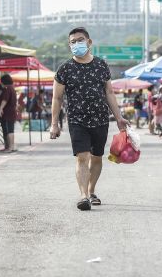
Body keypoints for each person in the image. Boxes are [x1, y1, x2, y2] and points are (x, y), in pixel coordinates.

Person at [50, 27, 129, 211]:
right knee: (82, 157)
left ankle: (91, 190)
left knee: (97, 157)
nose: (77, 44)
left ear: (89, 42)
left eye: (80, 40)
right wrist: (54, 124)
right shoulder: (64, 69)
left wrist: (119, 118)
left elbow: (109, 92)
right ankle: (83, 196)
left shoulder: (101, 65)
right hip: (77, 120)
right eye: (73, 42)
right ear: (69, 45)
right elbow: (57, 98)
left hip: (100, 119)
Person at [0, 74, 18, 153]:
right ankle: (9, 147)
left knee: (9, 130)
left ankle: (10, 147)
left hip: (8, 112)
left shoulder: (8, 88)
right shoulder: (12, 88)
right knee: (10, 129)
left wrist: (1, 108)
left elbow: (5, 100)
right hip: (11, 112)